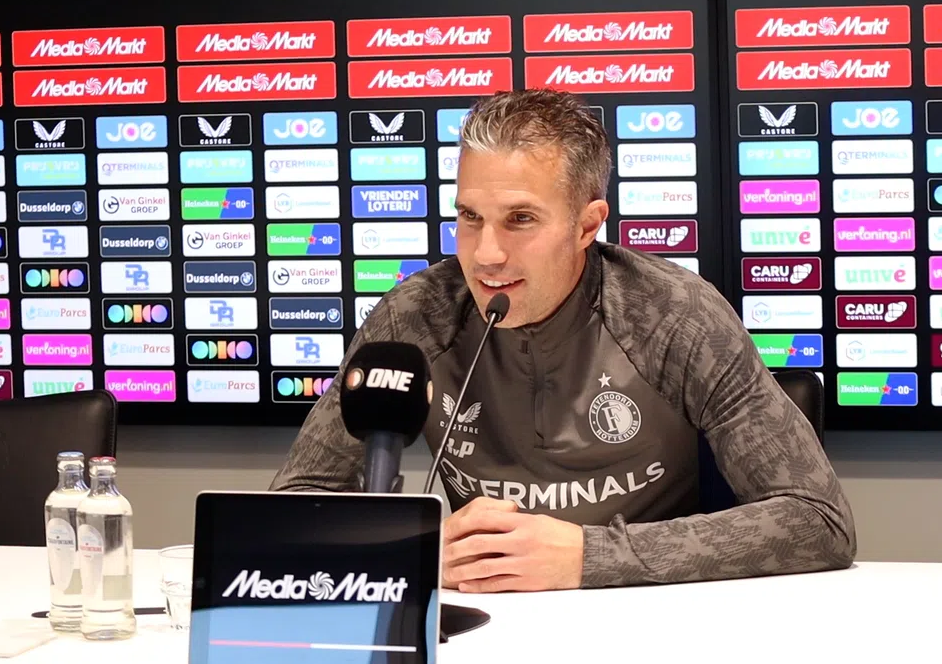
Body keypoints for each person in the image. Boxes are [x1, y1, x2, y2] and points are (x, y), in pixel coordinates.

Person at [270, 88, 856, 593]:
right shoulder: (416, 317)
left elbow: (819, 520)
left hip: (654, 612)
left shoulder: (675, 315)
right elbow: (292, 506)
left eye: (520, 219)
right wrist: (410, 548)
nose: (486, 255)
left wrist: (586, 556)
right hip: (486, 621)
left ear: (586, 225)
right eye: (470, 217)